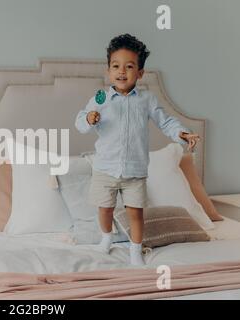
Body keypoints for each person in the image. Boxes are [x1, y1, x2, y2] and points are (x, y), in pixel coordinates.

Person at [75, 34, 200, 265]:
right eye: (116, 66)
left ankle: (135, 249)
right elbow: (80, 121)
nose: (122, 71)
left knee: (136, 213)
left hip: (135, 170)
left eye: (129, 66)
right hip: (105, 169)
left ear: (140, 73)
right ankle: (106, 239)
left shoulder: (147, 100)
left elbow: (165, 122)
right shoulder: (101, 98)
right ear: (108, 70)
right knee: (105, 209)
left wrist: (181, 133)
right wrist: (89, 119)